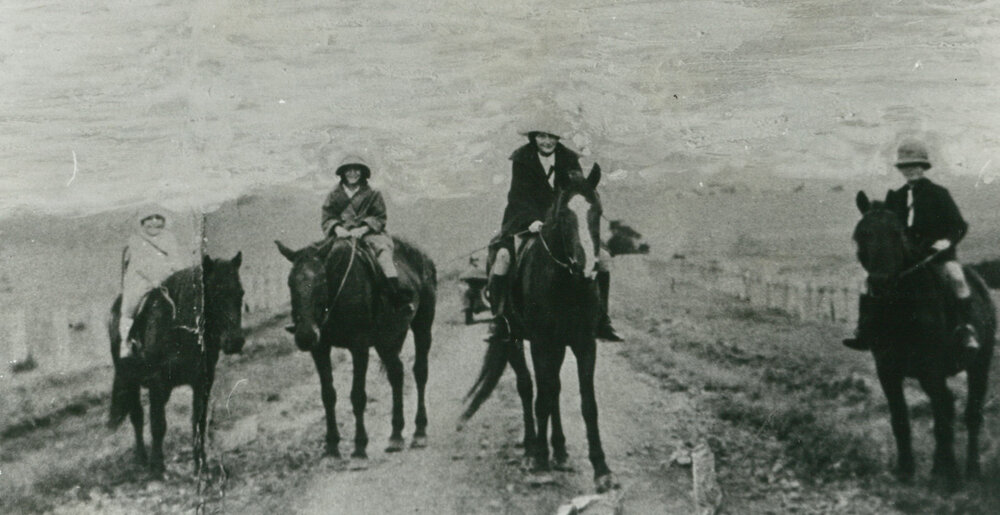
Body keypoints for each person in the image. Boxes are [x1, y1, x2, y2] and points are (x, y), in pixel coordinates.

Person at [485, 117, 622, 344]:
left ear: (558, 138)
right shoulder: (521, 159)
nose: (547, 141)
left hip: (563, 222)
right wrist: (531, 221)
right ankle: (500, 319)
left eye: (551, 136)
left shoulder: (569, 159)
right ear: (534, 138)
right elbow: (518, 196)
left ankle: (602, 318)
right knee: (502, 257)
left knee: (604, 258)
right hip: (525, 221)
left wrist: (567, 215)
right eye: (542, 136)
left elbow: (578, 191)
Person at [843, 139, 980, 362]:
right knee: (868, 283)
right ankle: (865, 331)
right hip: (906, 259)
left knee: (957, 278)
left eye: (915, 165)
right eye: (906, 166)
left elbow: (959, 225)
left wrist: (946, 242)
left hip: (938, 256)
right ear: (901, 169)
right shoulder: (896, 196)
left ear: (923, 167)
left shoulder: (939, 193)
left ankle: (966, 330)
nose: (911, 170)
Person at [321, 154, 411, 307]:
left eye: (356, 170)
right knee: (321, 261)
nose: (353, 174)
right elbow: (327, 216)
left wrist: (364, 228)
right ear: (343, 172)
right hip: (342, 236)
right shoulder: (334, 194)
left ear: (363, 172)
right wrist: (337, 228)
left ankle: (395, 296)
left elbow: (379, 216)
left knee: (384, 255)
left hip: (370, 234)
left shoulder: (373, 193)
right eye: (349, 170)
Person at [119, 210, 183, 358]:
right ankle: (125, 341)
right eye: (149, 218)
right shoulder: (136, 239)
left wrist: (180, 274)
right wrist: (154, 279)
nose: (154, 222)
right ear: (142, 222)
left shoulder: (169, 238)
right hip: (142, 279)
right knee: (131, 304)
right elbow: (140, 264)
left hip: (167, 278)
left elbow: (176, 259)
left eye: (158, 218)